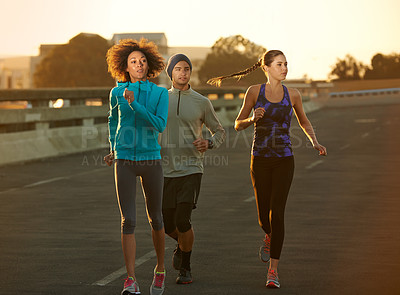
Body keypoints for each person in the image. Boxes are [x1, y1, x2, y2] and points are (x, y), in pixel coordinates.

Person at [208, 50, 327, 289]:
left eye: (286, 64)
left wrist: (314, 141)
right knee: (264, 217)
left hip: (284, 160)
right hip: (259, 160)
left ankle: (273, 269)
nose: (284, 68)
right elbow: (237, 124)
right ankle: (268, 234)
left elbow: (303, 120)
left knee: (278, 213)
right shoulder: (254, 92)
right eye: (279, 64)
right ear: (267, 67)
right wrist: (253, 119)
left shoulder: (293, 94)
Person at [104, 38, 168, 295]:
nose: (139, 65)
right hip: (124, 160)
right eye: (133, 62)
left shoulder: (160, 93)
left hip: (151, 158)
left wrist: (136, 104)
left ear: (149, 65)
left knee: (156, 218)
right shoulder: (116, 93)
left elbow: (159, 124)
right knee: (128, 220)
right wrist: (113, 147)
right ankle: (130, 279)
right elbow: (112, 120)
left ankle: (160, 269)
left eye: (142, 61)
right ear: (125, 66)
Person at [160, 54, 226, 284]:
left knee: (182, 220)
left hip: (191, 168)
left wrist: (209, 143)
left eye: (186, 69)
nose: (183, 73)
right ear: (171, 73)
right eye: (178, 69)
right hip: (164, 170)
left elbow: (219, 131)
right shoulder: (159, 99)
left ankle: (185, 267)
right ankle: (181, 245)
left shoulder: (201, 102)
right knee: (167, 224)